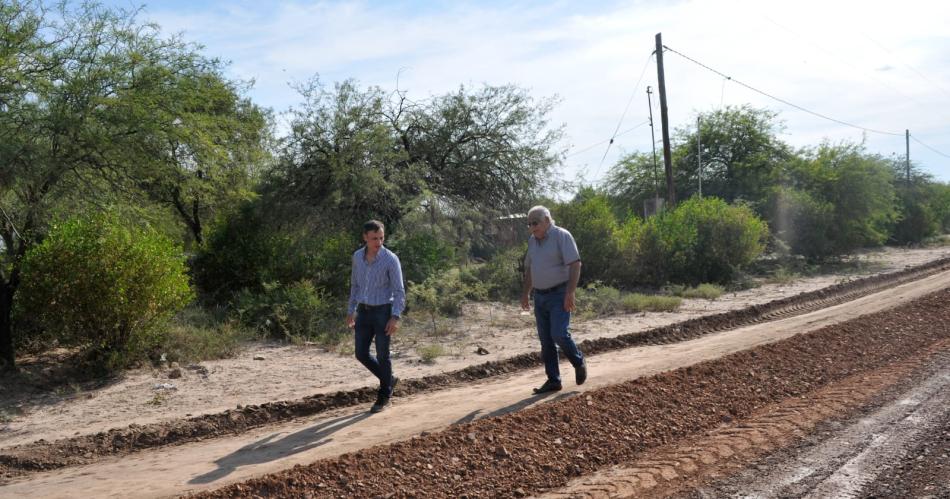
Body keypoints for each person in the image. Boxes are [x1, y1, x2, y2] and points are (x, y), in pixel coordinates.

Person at [520, 205, 587, 394]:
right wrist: (526, 293)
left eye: (536, 223)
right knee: (546, 341)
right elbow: (531, 270)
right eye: (529, 224)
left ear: (547, 220)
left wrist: (570, 292)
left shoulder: (561, 236)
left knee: (559, 333)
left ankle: (578, 361)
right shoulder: (532, 241)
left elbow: (575, 264)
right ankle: (553, 380)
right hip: (540, 297)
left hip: (559, 294)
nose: (533, 227)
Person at [346, 220, 406, 413]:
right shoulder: (357, 257)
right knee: (361, 353)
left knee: (382, 354)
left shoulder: (390, 259)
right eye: (374, 238)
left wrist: (395, 317)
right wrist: (351, 311)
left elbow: (399, 290)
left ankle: (384, 393)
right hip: (363, 311)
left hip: (383, 312)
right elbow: (355, 285)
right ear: (365, 237)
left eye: (381, 238)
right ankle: (388, 378)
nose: (378, 242)